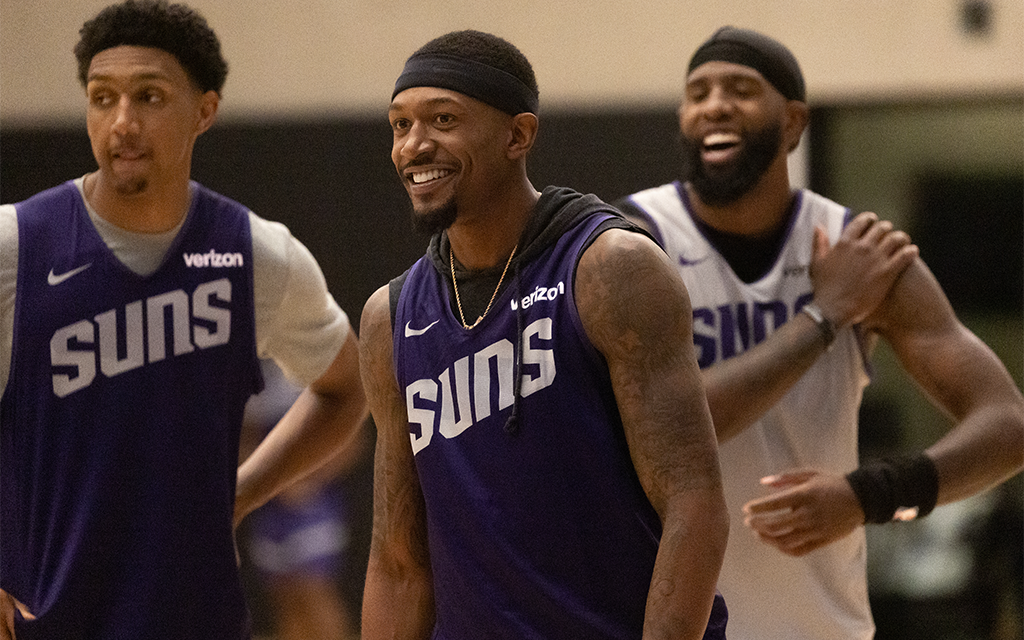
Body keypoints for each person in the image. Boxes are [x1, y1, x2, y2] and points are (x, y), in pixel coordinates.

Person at [614, 25, 1024, 640]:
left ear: (793, 123)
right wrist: (823, 317)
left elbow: (1006, 425)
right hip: (673, 624)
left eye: (741, 88)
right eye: (697, 92)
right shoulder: (629, 246)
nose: (715, 104)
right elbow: (666, 427)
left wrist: (869, 495)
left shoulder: (862, 251)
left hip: (821, 626)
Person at [0, 1, 367, 638]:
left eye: (148, 96)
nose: (122, 122)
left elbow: (348, 390)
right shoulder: (15, 247)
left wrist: (246, 489)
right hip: (47, 619)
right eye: (102, 96)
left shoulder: (259, 254)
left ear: (204, 110)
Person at [358, 30, 728, 640]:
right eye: (399, 125)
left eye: (443, 119)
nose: (414, 146)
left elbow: (695, 504)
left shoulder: (610, 268)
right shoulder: (389, 317)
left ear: (518, 135)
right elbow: (399, 560)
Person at [239, 359, 365, 640]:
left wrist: (307, 479)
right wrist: (260, 478)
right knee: (285, 597)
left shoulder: (317, 360)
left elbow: (353, 436)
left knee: (313, 592)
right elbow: (243, 438)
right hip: (268, 505)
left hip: (312, 504)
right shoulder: (252, 369)